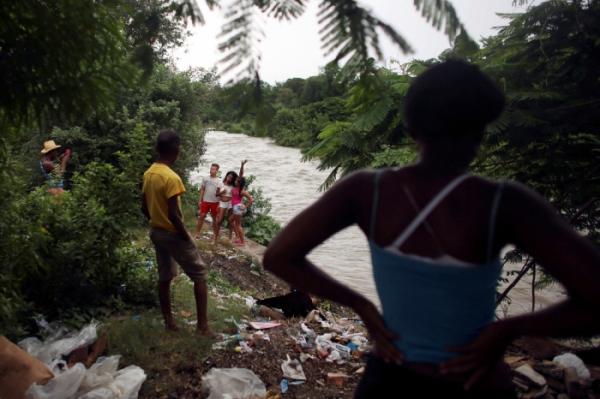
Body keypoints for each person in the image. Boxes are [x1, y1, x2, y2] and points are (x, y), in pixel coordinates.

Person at [262, 60, 600, 398]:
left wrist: (361, 305)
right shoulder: (506, 203)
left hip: (390, 381)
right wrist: (507, 330)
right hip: (473, 382)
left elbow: (279, 256)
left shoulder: (367, 191)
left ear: (410, 127)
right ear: (482, 131)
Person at [142, 130, 213, 336]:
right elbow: (174, 214)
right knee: (200, 275)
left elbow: (143, 207)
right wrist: (186, 235)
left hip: (157, 232)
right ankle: (203, 327)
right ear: (175, 150)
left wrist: (155, 220)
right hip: (173, 234)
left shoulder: (149, 173)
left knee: (164, 276)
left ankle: (169, 323)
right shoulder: (172, 178)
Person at [214, 160, 248, 245]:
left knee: (233, 222)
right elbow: (217, 194)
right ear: (226, 176)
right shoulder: (222, 183)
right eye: (229, 176)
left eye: (232, 178)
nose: (230, 178)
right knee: (224, 220)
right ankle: (217, 236)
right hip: (226, 204)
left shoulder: (235, 186)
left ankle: (235, 237)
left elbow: (240, 176)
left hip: (233, 205)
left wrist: (242, 165)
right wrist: (221, 195)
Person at [194, 163, 222, 240]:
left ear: (217, 171)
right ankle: (197, 233)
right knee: (201, 216)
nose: (211, 170)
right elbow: (202, 189)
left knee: (214, 218)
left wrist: (220, 204)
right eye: (211, 168)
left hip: (215, 202)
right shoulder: (205, 178)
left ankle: (215, 234)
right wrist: (200, 200)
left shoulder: (219, 181)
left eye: (213, 169)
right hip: (205, 201)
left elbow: (220, 194)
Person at [229, 176, 253, 246]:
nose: (235, 181)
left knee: (238, 225)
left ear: (239, 183)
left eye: (237, 181)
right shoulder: (235, 188)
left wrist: (245, 206)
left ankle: (242, 241)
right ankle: (238, 237)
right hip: (235, 208)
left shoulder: (242, 191)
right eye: (236, 180)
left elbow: (251, 200)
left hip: (237, 208)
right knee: (230, 220)